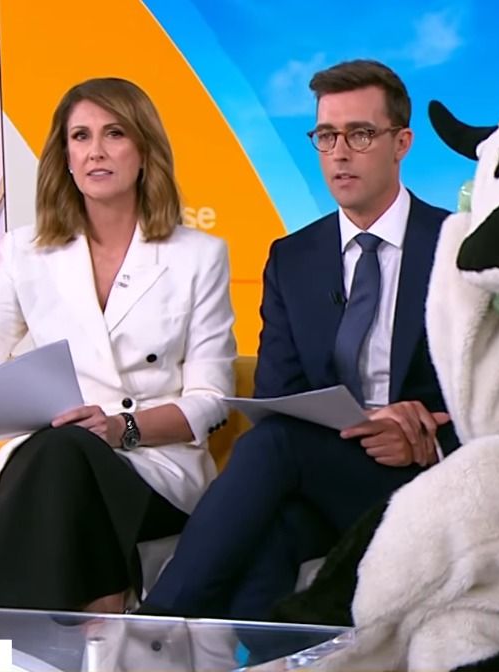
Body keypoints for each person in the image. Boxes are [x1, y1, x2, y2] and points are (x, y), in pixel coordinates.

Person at [136, 59, 458, 625]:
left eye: (360, 134)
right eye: (326, 136)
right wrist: (367, 421)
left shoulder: (457, 245)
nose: (340, 153)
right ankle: (256, 657)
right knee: (269, 534)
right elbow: (277, 393)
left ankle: (154, 628)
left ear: (401, 143)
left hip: (424, 472)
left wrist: (427, 441)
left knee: (273, 448)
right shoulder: (293, 258)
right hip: (326, 469)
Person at [0, 77, 238, 614]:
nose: (95, 151)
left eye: (114, 133)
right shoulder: (26, 251)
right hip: (55, 462)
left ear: (144, 150)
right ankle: (102, 616)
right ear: (65, 157)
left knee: (62, 458)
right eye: (81, 136)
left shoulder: (198, 256)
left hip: (151, 467)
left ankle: (0, 642)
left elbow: (212, 401)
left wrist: (120, 428)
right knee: (62, 455)